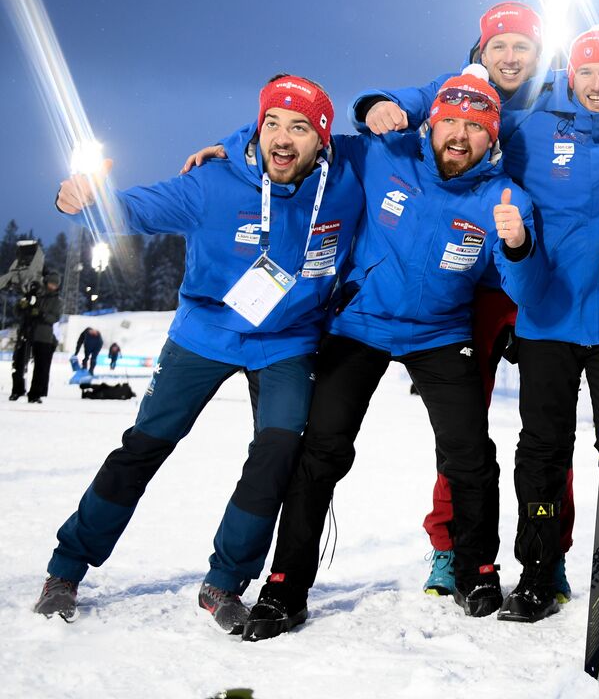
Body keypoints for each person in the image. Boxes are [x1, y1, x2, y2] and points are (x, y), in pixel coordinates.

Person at [184, 66, 546, 640]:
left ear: (492, 138)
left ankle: (476, 568)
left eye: (474, 127)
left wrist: (519, 244)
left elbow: (525, 290)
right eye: (448, 121)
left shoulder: (504, 199)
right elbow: (301, 144)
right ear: (430, 125)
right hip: (359, 325)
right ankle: (286, 585)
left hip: (440, 332)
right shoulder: (381, 157)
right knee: (320, 450)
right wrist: (236, 152)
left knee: (469, 452)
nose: (459, 135)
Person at [33, 75, 364, 630]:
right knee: (143, 448)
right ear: (258, 128)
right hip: (203, 334)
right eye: (273, 124)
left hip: (287, 342)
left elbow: (417, 139)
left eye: (300, 128)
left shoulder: (347, 181)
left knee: (277, 455)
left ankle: (226, 581)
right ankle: (66, 568)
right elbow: (133, 210)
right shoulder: (212, 183)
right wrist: (88, 200)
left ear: (323, 140)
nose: (283, 138)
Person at [358, 24, 599, 622]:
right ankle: (530, 566)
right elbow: (452, 114)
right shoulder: (531, 125)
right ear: (569, 78)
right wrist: (240, 145)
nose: (597, 85)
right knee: (527, 446)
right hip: (537, 308)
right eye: (587, 73)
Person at [353, 0, 580, 599]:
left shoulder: (566, 92)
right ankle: (450, 547)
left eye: (522, 47)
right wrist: (377, 107)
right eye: (498, 45)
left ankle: (547, 550)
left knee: (548, 427)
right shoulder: (453, 91)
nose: (509, 57)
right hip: (470, 285)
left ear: (541, 54)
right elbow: (384, 103)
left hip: (542, 275)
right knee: (462, 430)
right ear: (480, 50)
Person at [10, 271, 62, 403]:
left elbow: (55, 317)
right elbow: (18, 311)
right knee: (18, 362)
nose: (52, 286)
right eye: (51, 283)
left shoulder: (56, 301)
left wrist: (41, 314)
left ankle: (35, 394)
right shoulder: (35, 295)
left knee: (41, 366)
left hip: (43, 336)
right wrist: (24, 305)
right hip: (26, 332)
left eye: (55, 284)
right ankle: (17, 389)